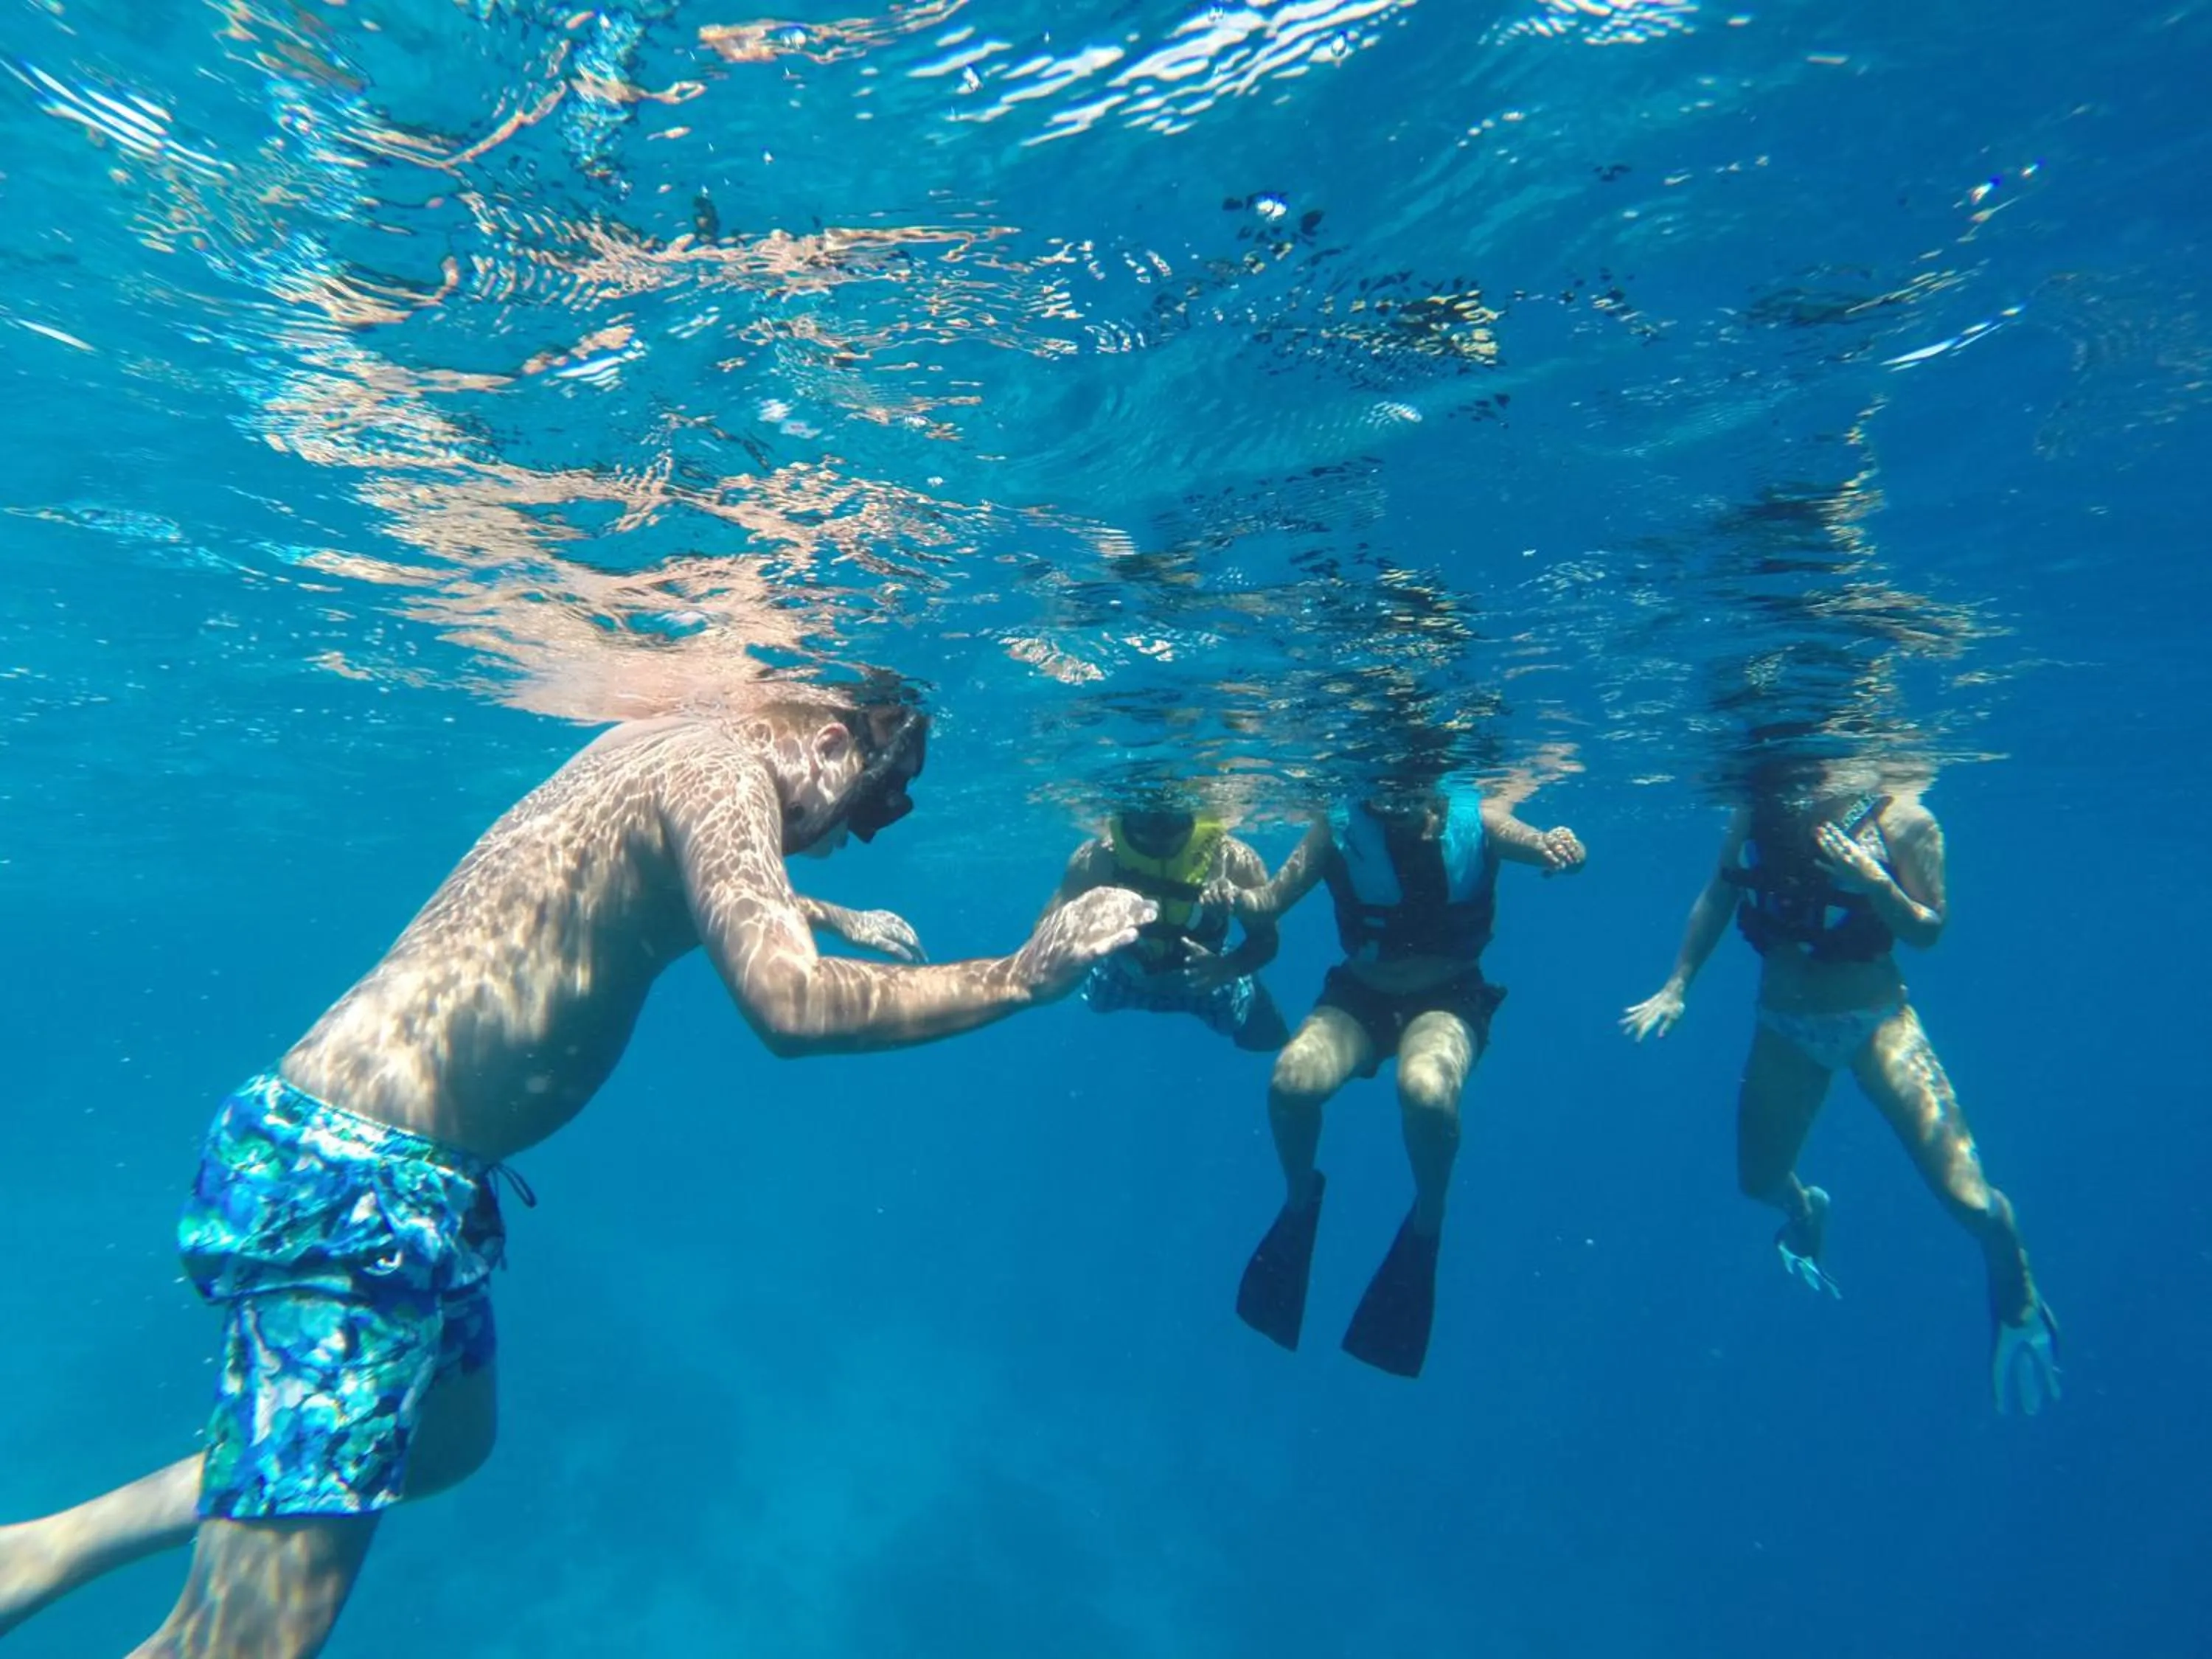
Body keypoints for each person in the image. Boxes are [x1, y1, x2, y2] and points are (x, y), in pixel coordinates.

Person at [0, 693, 1154, 1656]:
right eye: (868, 808)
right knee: (244, 1641)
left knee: (446, 1442)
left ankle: (54, 1543)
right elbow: (791, 1007)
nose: (851, 835)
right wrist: (1019, 973)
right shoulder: (723, 778)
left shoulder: (673, 737)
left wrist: (816, 903)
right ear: (833, 743)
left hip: (401, 1175)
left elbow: (633, 879)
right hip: (359, 1188)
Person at [1620, 759, 2061, 1415]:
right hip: (1783, 1025)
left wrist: (1875, 882)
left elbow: (1929, 930)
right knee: (1759, 1183)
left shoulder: (1906, 820)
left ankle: (2015, 1285)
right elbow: (1721, 890)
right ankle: (1806, 1212)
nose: (1803, 776)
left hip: (1877, 1023)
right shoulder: (1757, 807)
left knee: (1970, 1204)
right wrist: (1676, 984)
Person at [1222, 780, 1585, 1378]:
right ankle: (1297, 1200)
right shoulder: (1335, 830)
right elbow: (1268, 903)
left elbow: (1540, 844)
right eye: (1379, 797)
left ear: (1432, 790)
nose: (1393, 807)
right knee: (1290, 1081)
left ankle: (1428, 1220)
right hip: (1362, 992)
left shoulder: (1478, 820)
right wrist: (1230, 896)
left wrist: (1560, 845)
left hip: (1450, 995)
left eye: (1408, 795)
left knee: (1426, 1090)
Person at [1040, 802, 1291, 1052]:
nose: (1159, 833)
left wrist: (1229, 966)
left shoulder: (1233, 860)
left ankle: (1254, 988)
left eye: (1174, 818)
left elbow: (1268, 940)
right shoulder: (1098, 860)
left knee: (1259, 1036)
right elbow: (1042, 936)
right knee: (1094, 1001)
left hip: (1206, 979)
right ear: (1124, 817)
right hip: (1123, 975)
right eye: (1143, 819)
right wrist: (1085, 929)